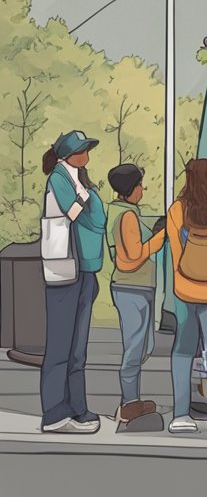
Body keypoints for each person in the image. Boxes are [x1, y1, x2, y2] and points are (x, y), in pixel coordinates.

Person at [39, 131, 107, 434]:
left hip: (84, 269)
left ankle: (78, 407)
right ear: (69, 154)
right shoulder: (59, 179)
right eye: (82, 150)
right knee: (60, 345)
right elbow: (74, 213)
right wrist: (85, 195)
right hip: (65, 269)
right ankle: (54, 411)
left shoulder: (79, 178)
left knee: (78, 346)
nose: (87, 154)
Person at [165, 159, 207, 437]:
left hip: (186, 289)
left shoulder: (177, 210)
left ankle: (181, 415)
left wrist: (180, 281)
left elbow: (173, 251)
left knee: (183, 349)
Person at [105, 163, 168, 425]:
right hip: (132, 286)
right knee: (135, 347)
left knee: (144, 344)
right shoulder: (127, 216)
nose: (143, 189)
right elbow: (132, 256)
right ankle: (128, 404)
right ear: (131, 189)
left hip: (138, 287)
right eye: (140, 185)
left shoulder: (125, 211)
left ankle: (132, 399)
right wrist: (161, 236)